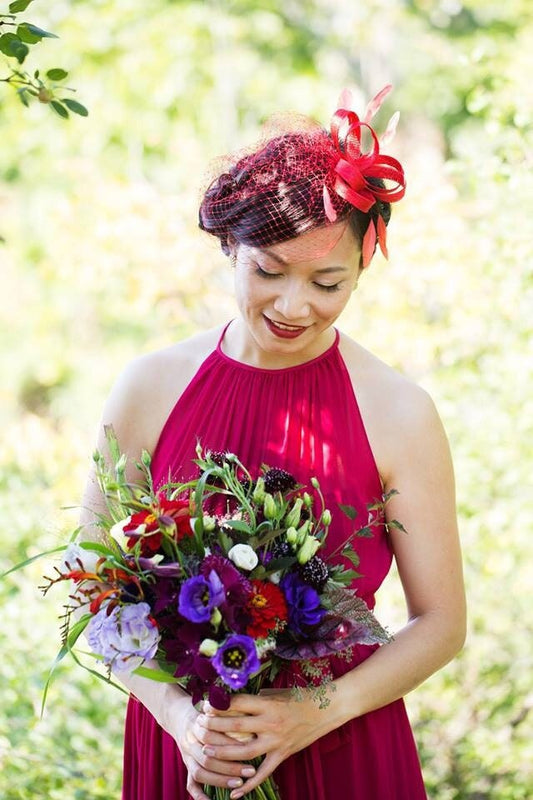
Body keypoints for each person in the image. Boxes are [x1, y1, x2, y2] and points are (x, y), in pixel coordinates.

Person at [80, 85, 466, 800]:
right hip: (190, 747)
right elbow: (96, 595)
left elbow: (440, 623)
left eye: (328, 282)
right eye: (267, 272)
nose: (295, 307)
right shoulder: (148, 386)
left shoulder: (399, 411)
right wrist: (178, 716)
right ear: (229, 245)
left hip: (343, 739)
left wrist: (311, 714)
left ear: (363, 267)